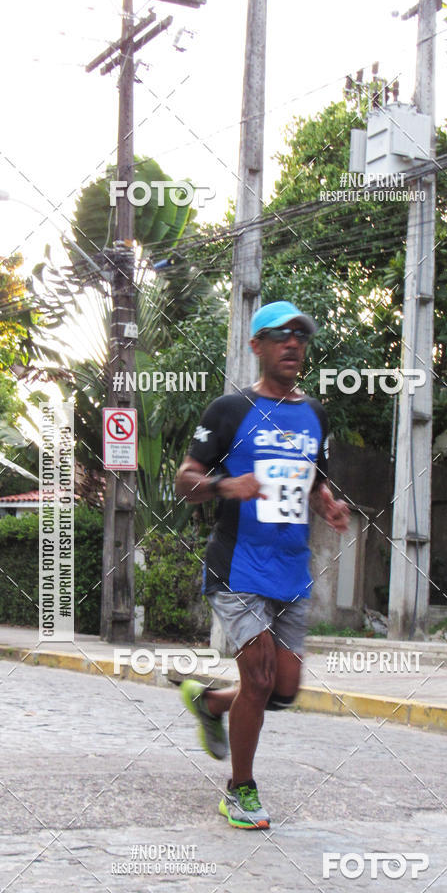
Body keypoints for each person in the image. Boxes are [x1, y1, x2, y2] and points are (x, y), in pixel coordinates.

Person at [175, 300, 349, 829]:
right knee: (260, 676)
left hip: (291, 569)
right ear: (257, 346)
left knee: (284, 688)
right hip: (238, 565)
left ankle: (210, 705)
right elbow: (186, 481)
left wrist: (328, 502)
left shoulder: (315, 415)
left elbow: (316, 480)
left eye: (301, 334)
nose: (293, 343)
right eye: (280, 335)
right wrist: (228, 485)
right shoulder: (228, 411)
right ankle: (239, 791)